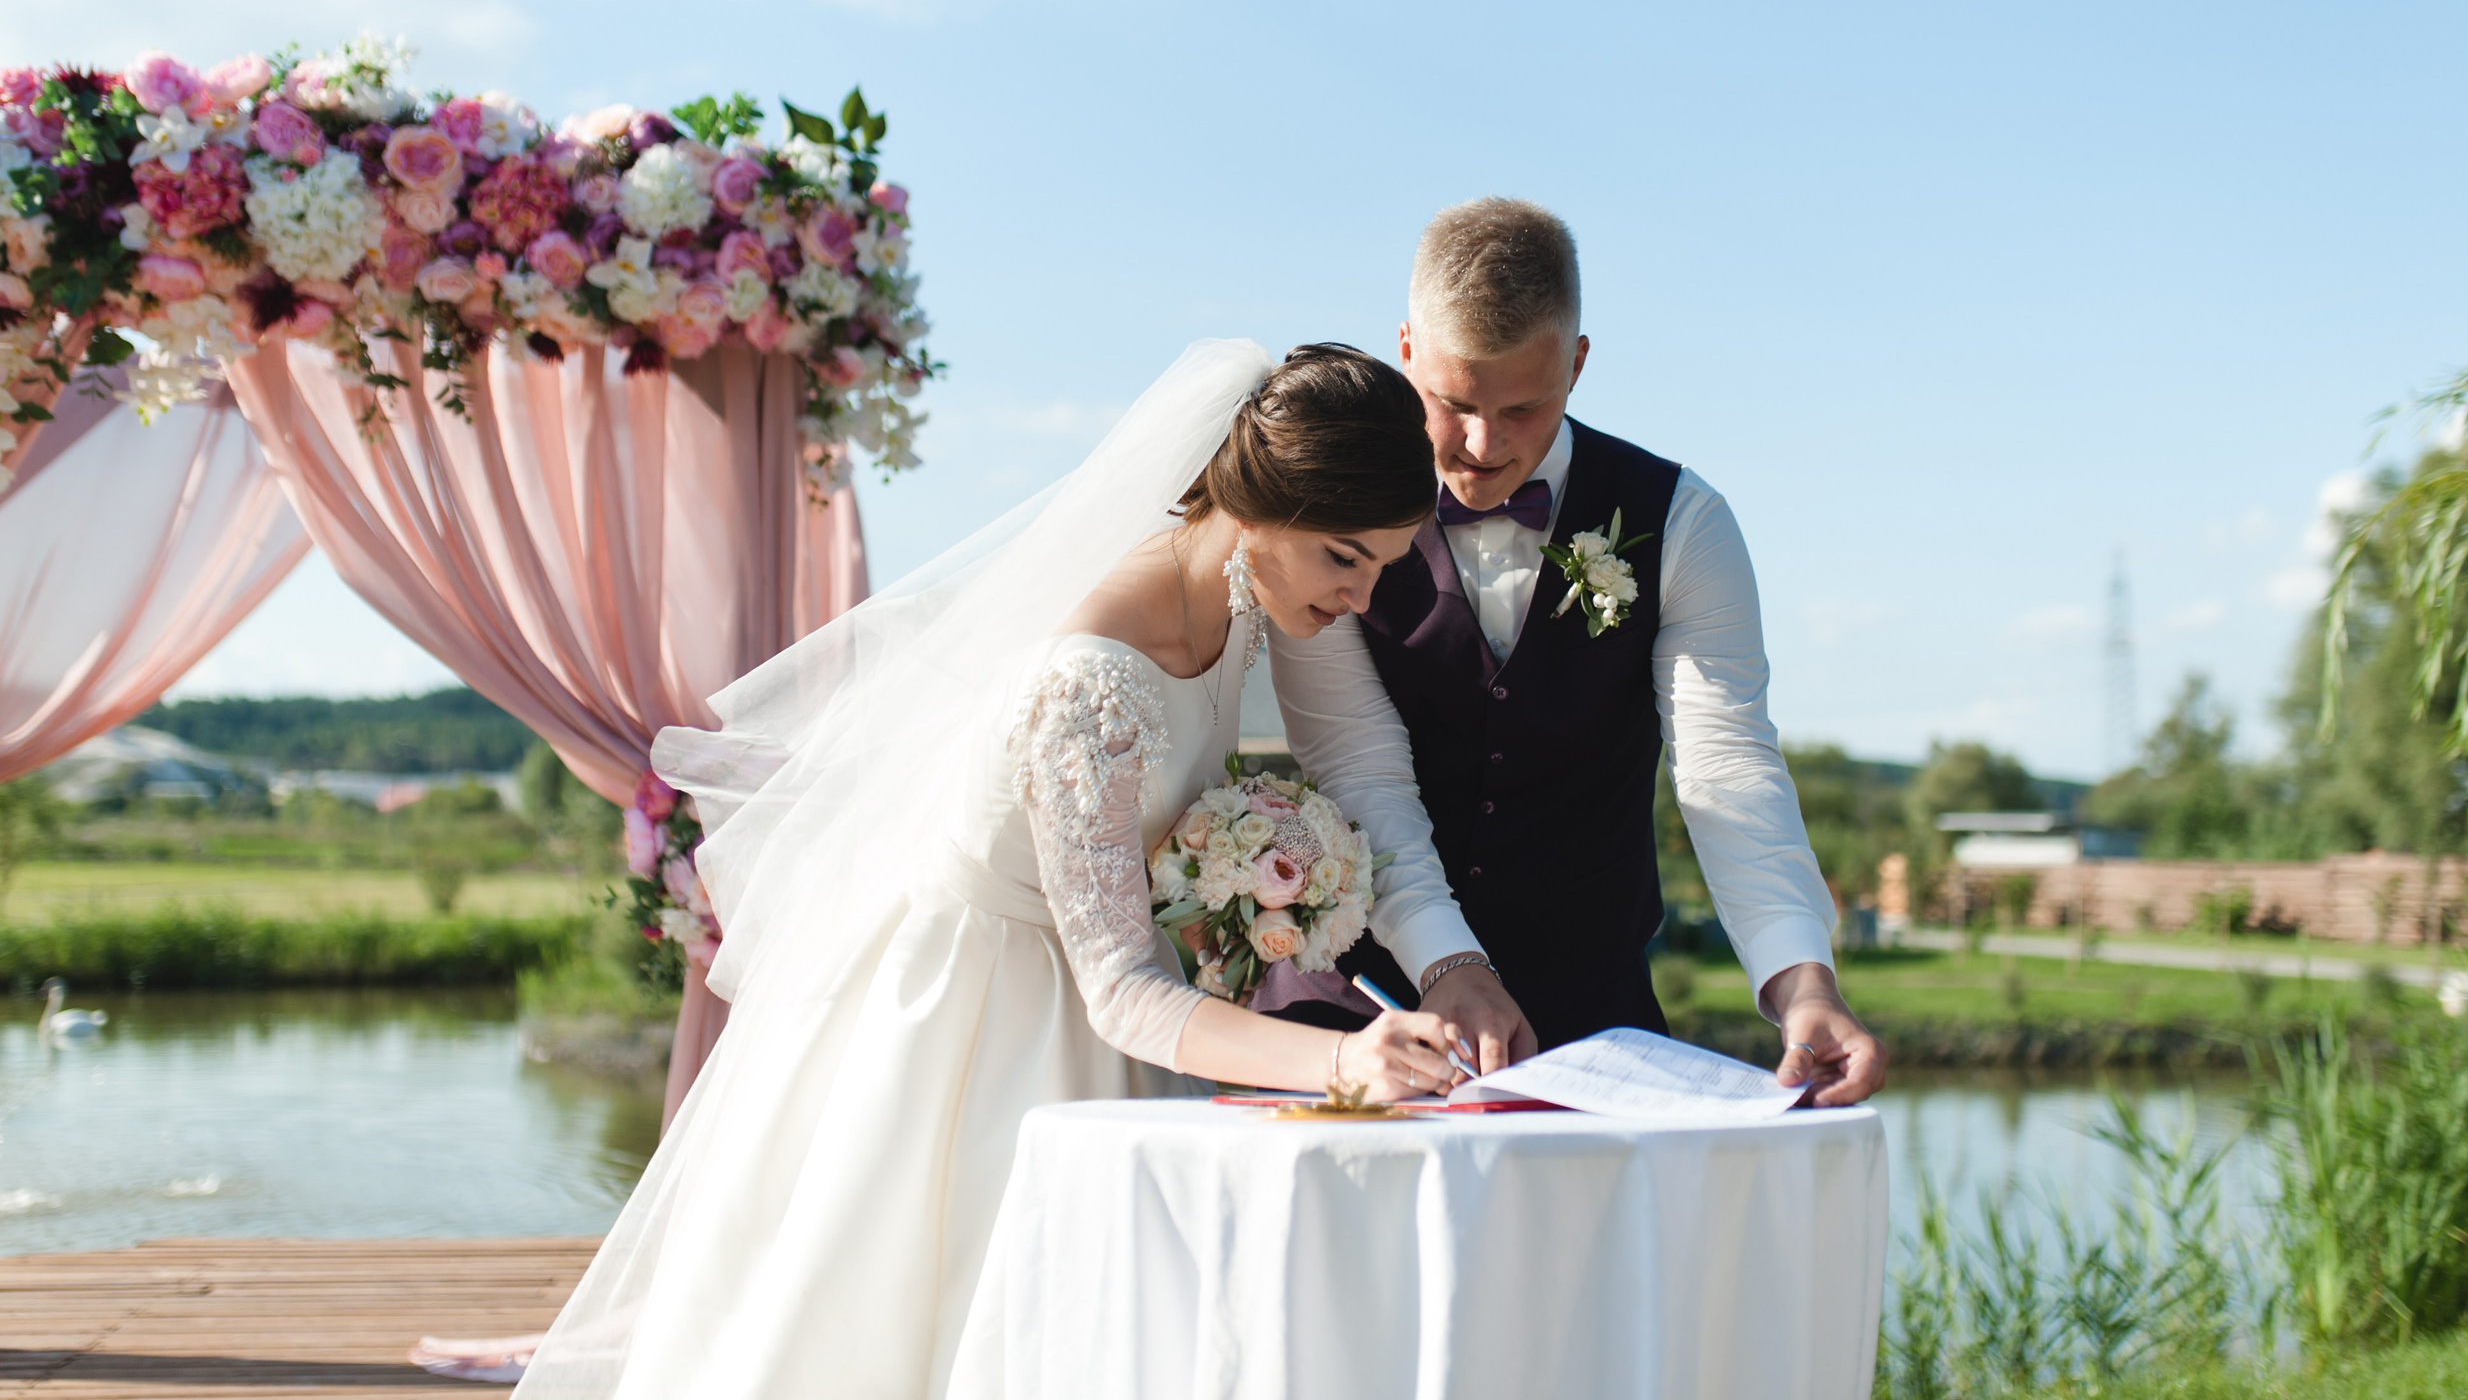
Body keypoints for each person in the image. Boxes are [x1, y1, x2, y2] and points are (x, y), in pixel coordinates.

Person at [517, 341, 1471, 1400]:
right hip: (975, 1024)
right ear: (1255, 508)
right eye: (1348, 556)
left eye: (1384, 563)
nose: (1363, 593)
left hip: (1109, 996)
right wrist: (1343, 1065)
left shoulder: (1264, 591)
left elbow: (1356, 756)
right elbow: (1119, 990)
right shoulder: (1084, 675)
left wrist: (1436, 955)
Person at [1266, 199, 1887, 1105]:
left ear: (1580, 363)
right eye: (1452, 403)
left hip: (1591, 1035)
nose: (1483, 445)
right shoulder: (1322, 512)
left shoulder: (1683, 522)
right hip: (1352, 1010)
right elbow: (1360, 768)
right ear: (1405, 349)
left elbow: (1726, 765)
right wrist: (1446, 964)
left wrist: (1803, 981)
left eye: (1523, 406)